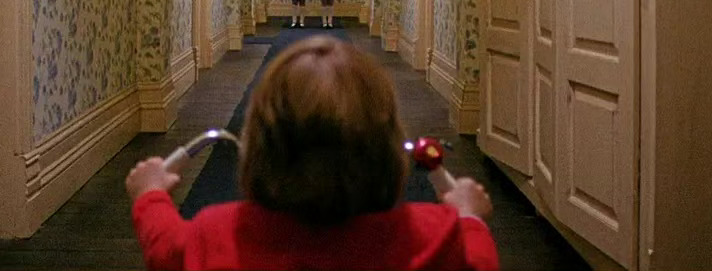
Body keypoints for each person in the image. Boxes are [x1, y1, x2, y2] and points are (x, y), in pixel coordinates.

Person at [126, 36, 500, 271]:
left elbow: (165, 247)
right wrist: (469, 217)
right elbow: (479, 261)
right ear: (386, 146)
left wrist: (150, 195)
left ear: (260, 147)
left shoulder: (214, 235)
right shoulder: (434, 235)